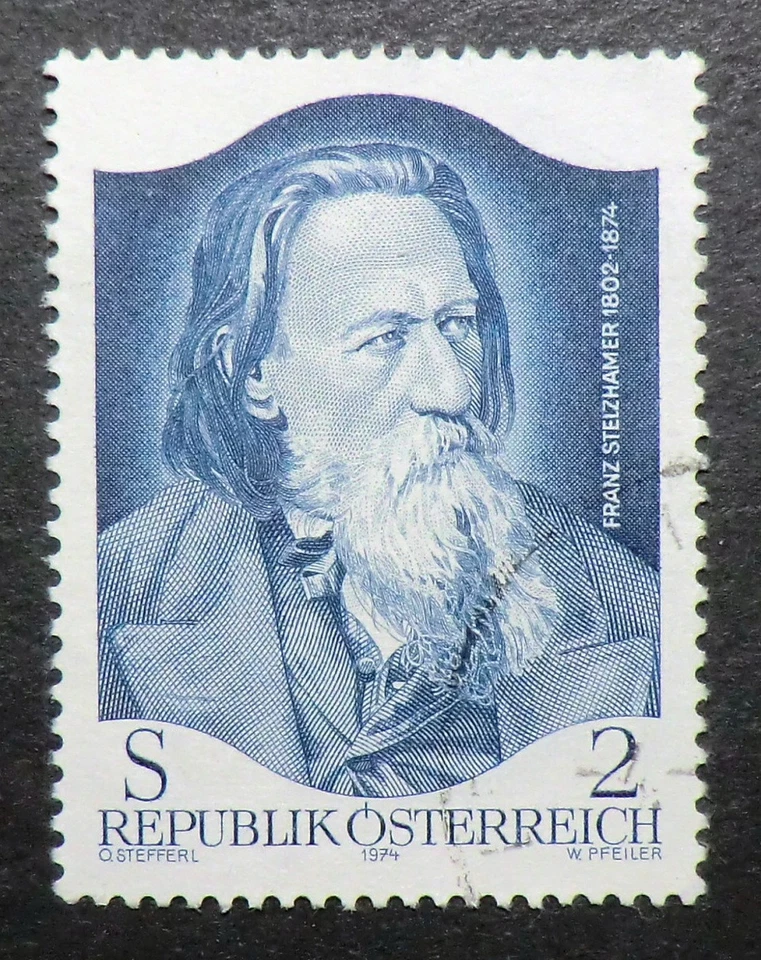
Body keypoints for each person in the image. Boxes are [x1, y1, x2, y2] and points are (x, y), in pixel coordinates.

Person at [98, 143, 659, 798]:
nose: (452, 389)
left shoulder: (622, 598)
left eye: (457, 324)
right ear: (250, 373)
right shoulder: (117, 592)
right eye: (384, 338)